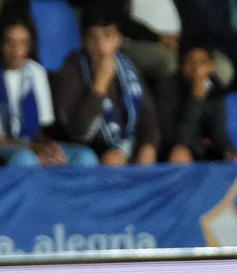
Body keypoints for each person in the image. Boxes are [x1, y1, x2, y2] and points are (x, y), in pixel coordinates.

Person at [0, 20, 96, 166]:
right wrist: (31, 147)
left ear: (30, 45)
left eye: (22, 43)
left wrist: (48, 147)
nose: (16, 50)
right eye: (10, 42)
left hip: (31, 145)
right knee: (25, 160)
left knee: (85, 157)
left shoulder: (36, 71)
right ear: (0, 43)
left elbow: (42, 129)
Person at [53, 13, 161, 164]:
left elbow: (148, 116)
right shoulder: (71, 71)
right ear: (84, 41)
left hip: (128, 142)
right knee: (112, 160)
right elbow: (79, 133)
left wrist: (148, 146)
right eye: (93, 38)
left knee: (148, 154)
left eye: (107, 36)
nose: (101, 46)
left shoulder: (127, 66)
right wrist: (100, 85)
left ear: (119, 39)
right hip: (91, 150)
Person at [163, 45, 237, 163]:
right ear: (182, 66)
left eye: (202, 61)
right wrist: (196, 99)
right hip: (174, 150)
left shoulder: (216, 88)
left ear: (211, 66)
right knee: (180, 153)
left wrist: (229, 151)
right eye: (190, 62)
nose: (196, 67)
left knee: (233, 158)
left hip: (204, 151)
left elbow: (219, 132)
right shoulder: (168, 88)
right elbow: (174, 138)